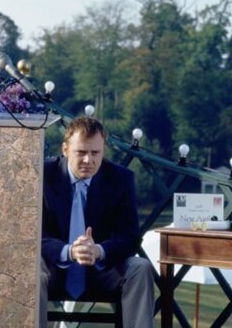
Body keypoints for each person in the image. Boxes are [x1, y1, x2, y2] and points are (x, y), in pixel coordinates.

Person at [40, 116, 154, 328]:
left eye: (95, 153)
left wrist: (99, 250)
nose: (88, 160)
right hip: (54, 268)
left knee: (140, 267)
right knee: (30, 269)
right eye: (81, 152)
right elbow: (34, 237)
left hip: (103, 271)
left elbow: (130, 238)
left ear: (103, 151)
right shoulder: (43, 175)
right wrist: (70, 251)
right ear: (65, 150)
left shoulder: (120, 179)